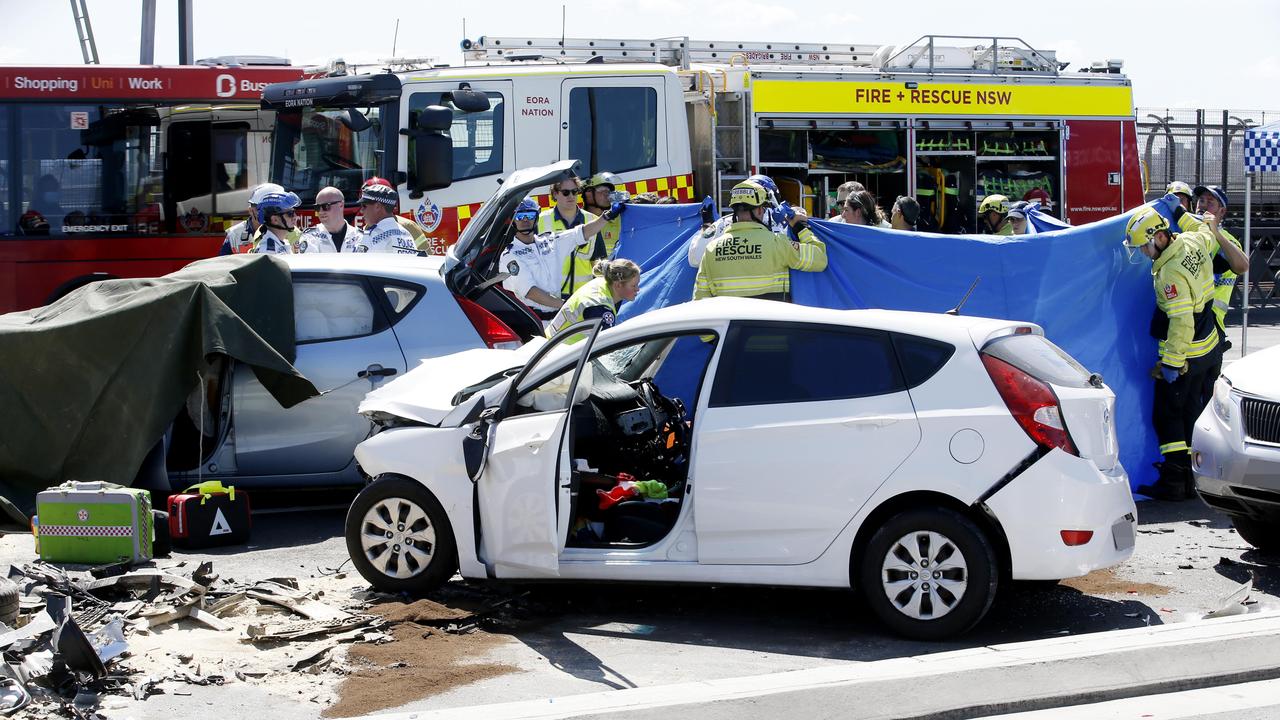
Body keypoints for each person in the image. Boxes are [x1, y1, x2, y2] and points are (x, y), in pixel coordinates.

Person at [1123, 199, 1220, 501]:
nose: (1143, 252)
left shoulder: (1169, 274)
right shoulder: (1190, 240)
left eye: (1144, 246)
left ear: (1160, 237)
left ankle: (1176, 481)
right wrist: (1179, 211)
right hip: (1209, 347)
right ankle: (1194, 479)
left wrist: (1172, 365)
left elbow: (1180, 322)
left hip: (1188, 352)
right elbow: (1203, 228)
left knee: (1167, 416)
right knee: (1192, 412)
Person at [693, 179, 828, 302]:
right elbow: (820, 259)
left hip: (729, 327)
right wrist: (800, 227)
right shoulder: (777, 243)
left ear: (735, 211)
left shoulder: (711, 250)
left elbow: (700, 300)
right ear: (759, 210)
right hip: (770, 326)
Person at [501, 196, 626, 320]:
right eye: (520, 216)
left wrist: (607, 216)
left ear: (537, 216)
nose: (525, 220)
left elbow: (581, 233)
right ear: (512, 220)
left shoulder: (549, 241)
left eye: (530, 216)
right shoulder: (510, 255)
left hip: (559, 316)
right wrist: (569, 305)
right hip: (534, 321)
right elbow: (531, 292)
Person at [1191, 184, 1248, 406]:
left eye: (1210, 202)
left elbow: (1241, 266)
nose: (1202, 206)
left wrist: (1215, 232)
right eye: (1200, 201)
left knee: (1204, 395)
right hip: (1189, 324)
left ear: (1221, 211)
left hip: (1213, 327)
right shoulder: (1189, 234)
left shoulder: (1227, 239)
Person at [688, 173, 789, 267]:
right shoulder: (782, 225)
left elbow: (695, 259)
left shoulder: (722, 224)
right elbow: (796, 256)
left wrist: (707, 225)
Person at [544, 258, 641, 340]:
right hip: (560, 353)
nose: (638, 289)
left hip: (550, 340)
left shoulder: (602, 282)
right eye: (634, 285)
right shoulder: (600, 309)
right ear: (618, 285)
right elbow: (605, 346)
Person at [360, 177, 428, 250]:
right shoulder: (406, 231)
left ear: (377, 206)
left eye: (364, 205)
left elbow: (426, 256)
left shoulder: (409, 227)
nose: (361, 210)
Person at [220, 183, 282, 255]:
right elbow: (224, 264)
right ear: (250, 210)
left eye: (276, 209)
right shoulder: (235, 234)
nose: (270, 214)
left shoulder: (291, 233)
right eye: (262, 209)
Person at [297, 186, 360, 253]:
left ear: (341, 205)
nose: (321, 212)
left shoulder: (358, 236)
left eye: (326, 206)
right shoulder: (310, 236)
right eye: (317, 207)